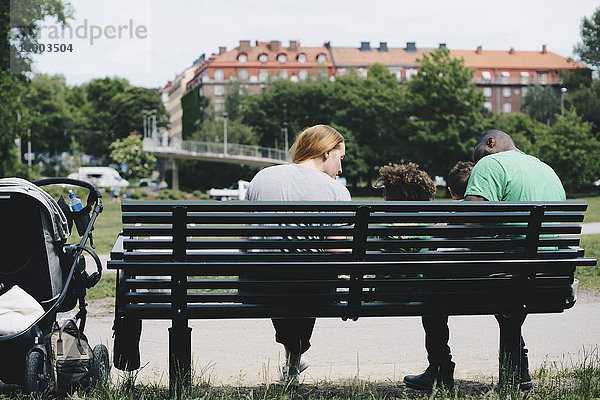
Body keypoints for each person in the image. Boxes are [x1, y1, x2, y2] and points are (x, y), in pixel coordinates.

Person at [403, 130, 566, 391]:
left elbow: (471, 219)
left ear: (490, 143)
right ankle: (517, 372)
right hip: (547, 277)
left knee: (432, 284)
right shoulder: (545, 168)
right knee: (512, 291)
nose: (476, 164)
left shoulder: (491, 163)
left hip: (504, 276)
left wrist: (443, 224)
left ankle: (440, 370)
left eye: (477, 155)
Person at [244, 124, 351, 385]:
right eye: (341, 158)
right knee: (310, 273)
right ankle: (295, 357)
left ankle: (293, 361)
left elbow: (245, 240)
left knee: (283, 274)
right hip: (312, 288)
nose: (341, 168)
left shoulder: (262, 177)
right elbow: (337, 252)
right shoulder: (336, 191)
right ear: (326, 153)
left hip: (258, 285)